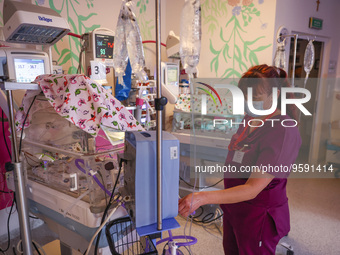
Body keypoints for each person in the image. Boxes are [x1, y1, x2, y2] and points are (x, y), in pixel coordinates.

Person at [178, 64, 302, 255]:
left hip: (259, 216)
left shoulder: (282, 130)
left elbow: (253, 188)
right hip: (235, 208)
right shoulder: (250, 120)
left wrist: (203, 197)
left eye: (256, 98)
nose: (249, 102)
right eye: (246, 97)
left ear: (275, 94)